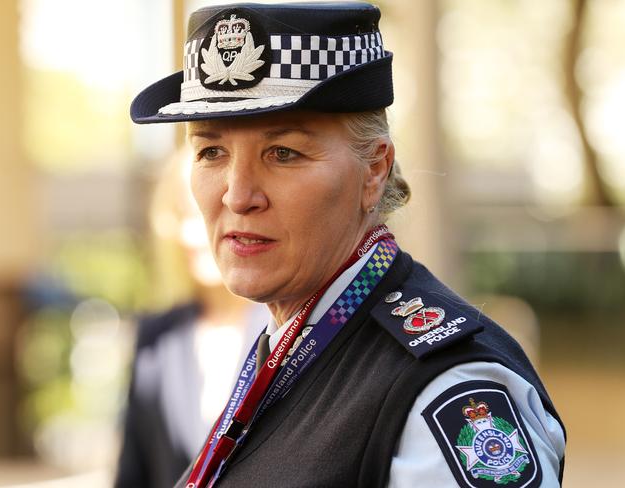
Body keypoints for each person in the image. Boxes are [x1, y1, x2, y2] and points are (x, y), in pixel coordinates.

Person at [130, 2, 566, 487]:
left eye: (283, 153)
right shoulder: (296, 345)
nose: (238, 194)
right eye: (211, 152)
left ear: (374, 171)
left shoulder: (445, 391)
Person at [114, 149, 266, 488]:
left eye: (201, 215)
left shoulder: (291, 331)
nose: (190, 235)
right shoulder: (155, 337)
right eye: (182, 215)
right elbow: (133, 473)